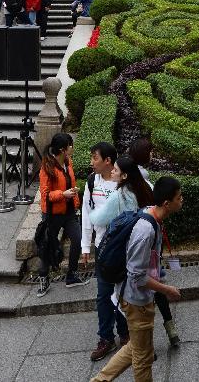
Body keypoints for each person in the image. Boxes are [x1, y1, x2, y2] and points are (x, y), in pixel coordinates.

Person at [90, 176, 183, 382]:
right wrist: (167, 290)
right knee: (142, 358)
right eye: (179, 197)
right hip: (136, 301)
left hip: (138, 297)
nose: (182, 200)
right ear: (167, 203)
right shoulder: (146, 230)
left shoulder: (151, 214)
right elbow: (137, 276)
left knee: (137, 347)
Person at [81, 142, 129, 361]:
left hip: (124, 247)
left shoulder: (123, 182)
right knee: (103, 295)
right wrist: (85, 246)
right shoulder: (92, 182)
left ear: (108, 161)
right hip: (102, 246)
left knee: (123, 293)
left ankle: (125, 335)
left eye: (95, 158)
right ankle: (106, 337)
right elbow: (86, 214)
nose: (91, 162)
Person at [37, 132, 90, 298]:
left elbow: (70, 183)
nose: (72, 148)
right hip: (52, 214)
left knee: (77, 238)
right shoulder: (47, 167)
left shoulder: (68, 162)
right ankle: (43, 279)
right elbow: (45, 195)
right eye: (70, 145)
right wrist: (63, 194)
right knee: (48, 245)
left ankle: (72, 275)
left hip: (69, 212)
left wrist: (73, 196)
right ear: (63, 149)